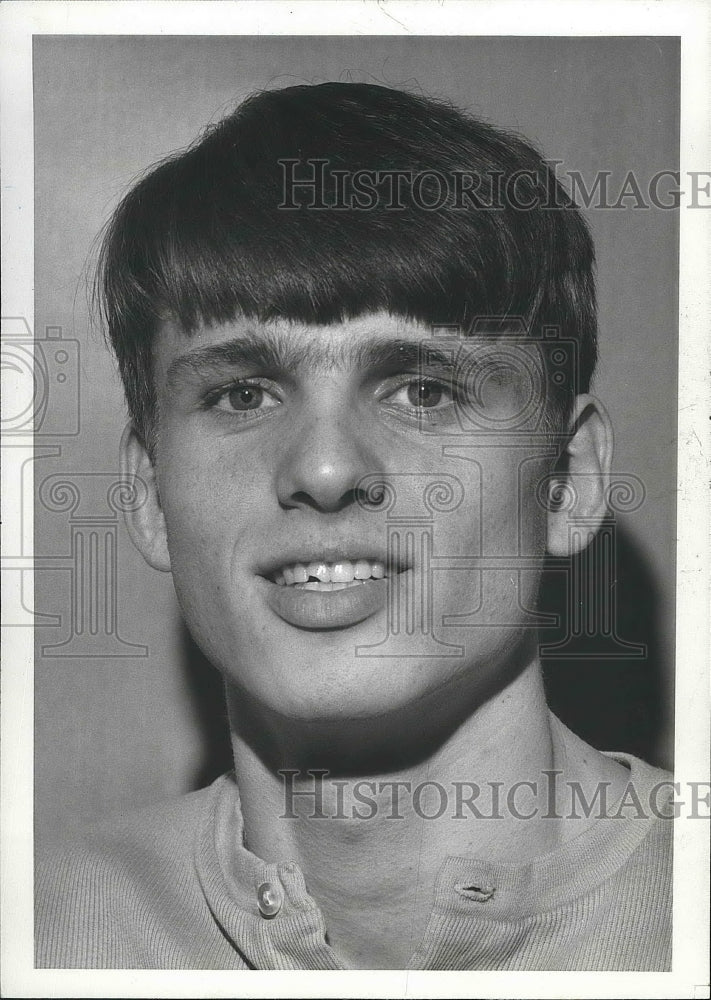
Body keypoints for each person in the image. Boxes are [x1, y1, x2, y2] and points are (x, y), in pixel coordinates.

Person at [35, 82, 672, 971]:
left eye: (425, 390)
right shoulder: (36, 932)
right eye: (243, 393)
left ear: (567, 481)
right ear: (147, 491)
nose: (326, 470)